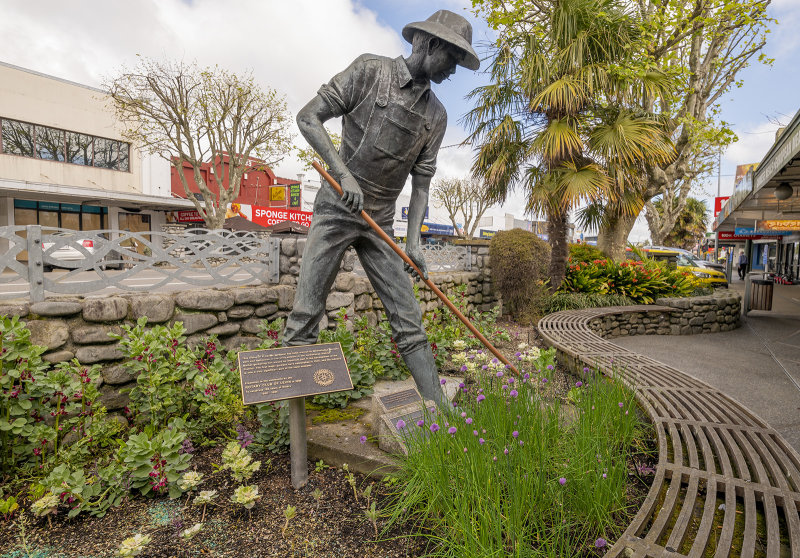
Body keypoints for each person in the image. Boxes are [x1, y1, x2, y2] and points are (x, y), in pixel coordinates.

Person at [282, 10, 480, 406]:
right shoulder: (370, 71)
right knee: (305, 313)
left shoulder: (436, 116)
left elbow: (421, 186)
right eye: (452, 59)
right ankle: (291, 425)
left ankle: (441, 413)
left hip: (381, 222)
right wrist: (343, 175)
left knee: (408, 318)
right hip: (337, 207)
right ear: (429, 44)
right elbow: (308, 117)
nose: (453, 71)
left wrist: (413, 245)